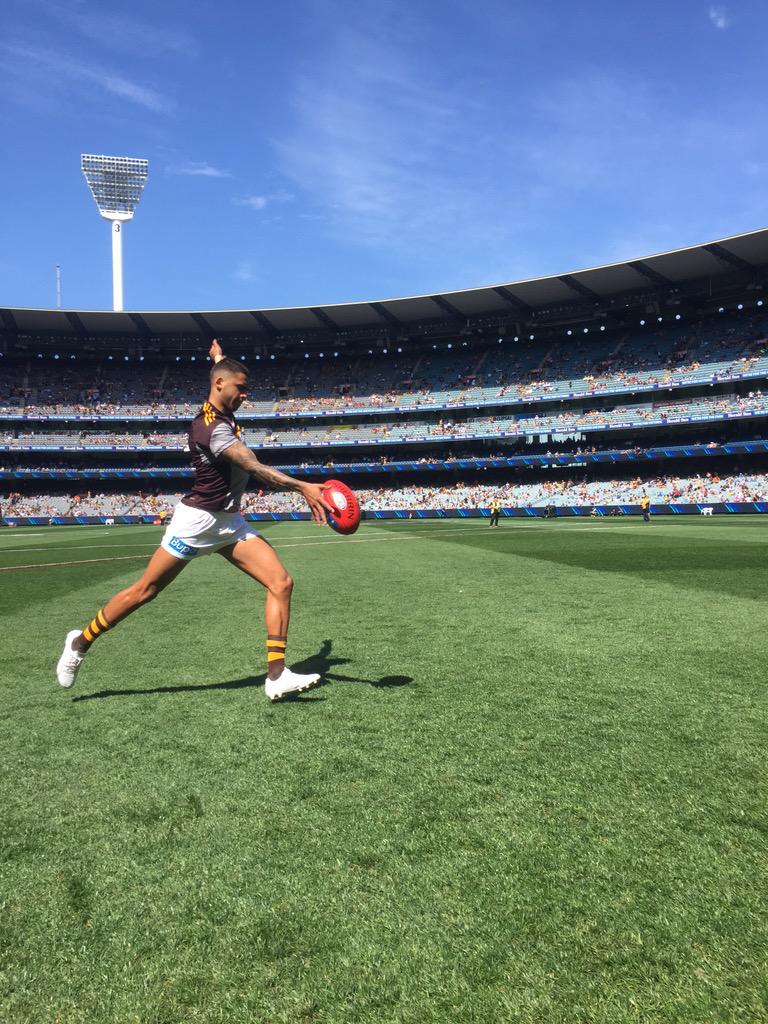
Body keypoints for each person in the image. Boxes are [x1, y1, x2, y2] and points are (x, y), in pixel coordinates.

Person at [56, 341, 334, 701]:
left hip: (230, 523)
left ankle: (276, 674)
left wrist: (218, 357)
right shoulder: (210, 429)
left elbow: (223, 371)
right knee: (145, 591)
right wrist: (301, 487)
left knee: (281, 582)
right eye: (241, 389)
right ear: (220, 385)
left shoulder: (221, 397)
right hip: (198, 522)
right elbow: (251, 465)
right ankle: (79, 643)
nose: (246, 396)